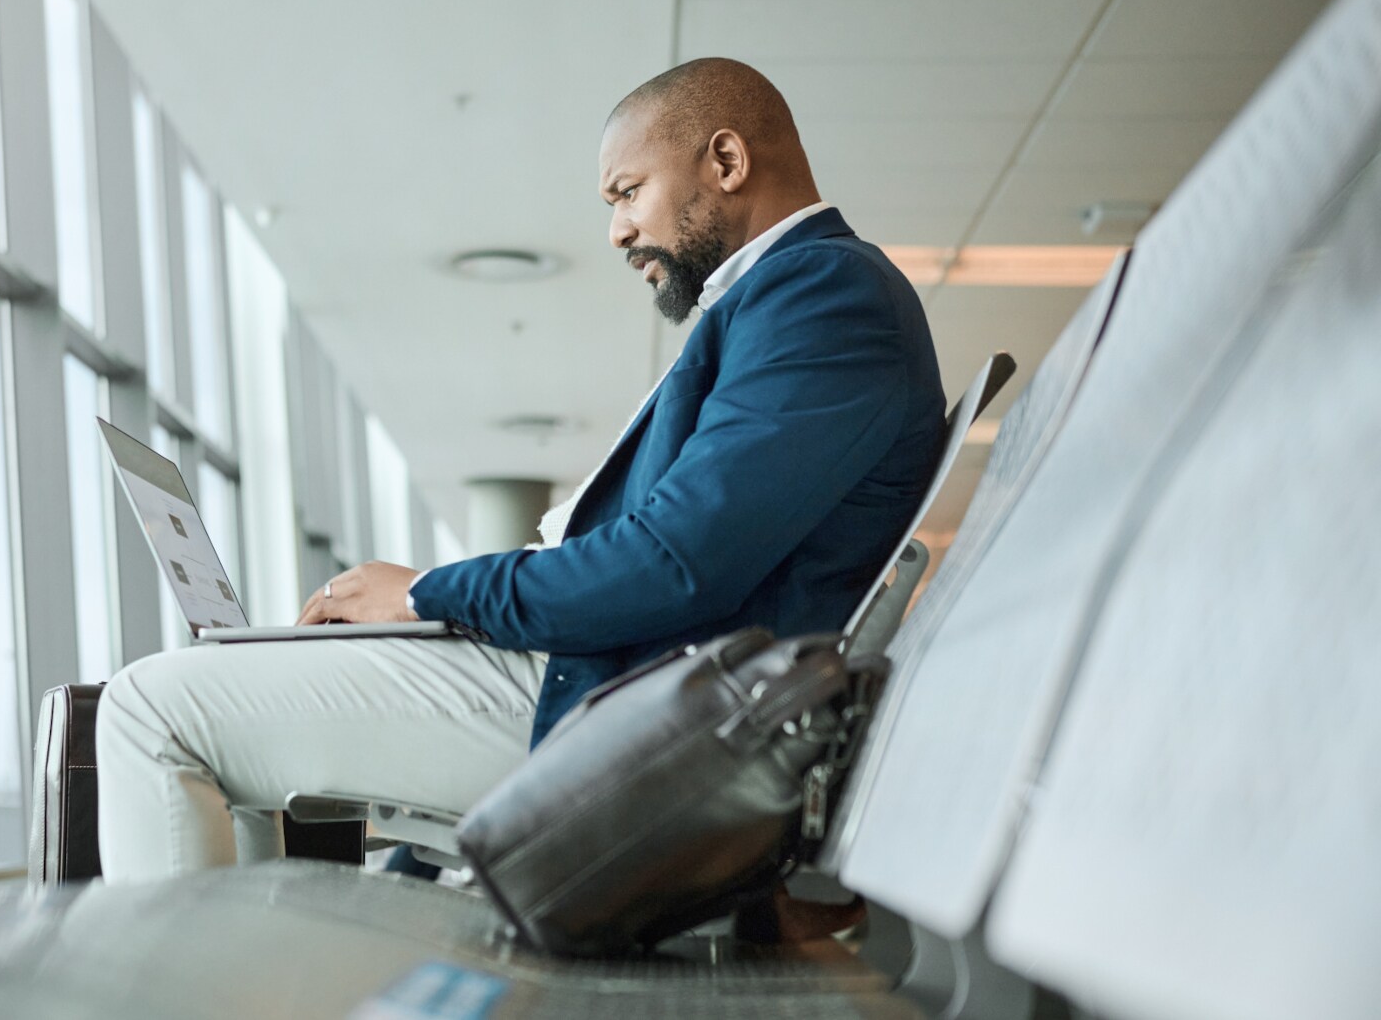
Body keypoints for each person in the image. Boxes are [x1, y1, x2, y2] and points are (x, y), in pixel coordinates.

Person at [94, 58, 945, 886]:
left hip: (625, 702)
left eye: (627, 193)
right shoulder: (787, 299)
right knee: (231, 714)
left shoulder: (824, 294)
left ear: (725, 161)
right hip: (619, 677)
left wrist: (428, 594)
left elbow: (674, 563)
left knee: (149, 708)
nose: (616, 230)